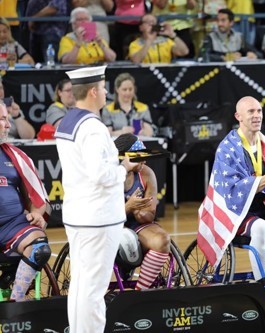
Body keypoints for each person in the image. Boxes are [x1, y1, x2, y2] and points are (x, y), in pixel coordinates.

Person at [54, 65, 137, 333]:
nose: (105, 92)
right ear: (93, 91)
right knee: (93, 291)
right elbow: (99, 173)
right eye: (103, 87)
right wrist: (123, 168)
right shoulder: (92, 127)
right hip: (98, 218)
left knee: (81, 286)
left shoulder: (68, 121)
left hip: (79, 215)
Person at [197, 96, 265, 289]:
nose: (257, 115)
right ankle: (261, 284)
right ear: (238, 116)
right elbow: (231, 191)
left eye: (259, 111)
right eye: (251, 112)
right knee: (259, 226)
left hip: (262, 208)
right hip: (235, 211)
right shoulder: (228, 148)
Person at [0, 101, 51, 302]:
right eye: (3, 119)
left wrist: (37, 212)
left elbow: (36, 197)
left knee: (39, 246)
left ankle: (16, 302)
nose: (8, 125)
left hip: (13, 226)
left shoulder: (16, 157)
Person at [114, 133, 171, 290]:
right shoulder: (108, 174)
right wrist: (129, 207)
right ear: (125, 157)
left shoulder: (146, 173)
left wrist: (141, 213)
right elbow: (101, 216)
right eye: (139, 157)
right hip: (110, 227)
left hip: (136, 226)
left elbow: (150, 214)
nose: (144, 160)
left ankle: (140, 292)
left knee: (163, 240)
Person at [101, 72, 155, 137]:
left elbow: (150, 132)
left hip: (139, 144)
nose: (128, 93)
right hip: (117, 144)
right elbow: (107, 134)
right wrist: (122, 132)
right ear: (117, 89)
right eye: (124, 90)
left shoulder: (143, 108)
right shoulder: (108, 109)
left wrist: (141, 132)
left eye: (130, 89)